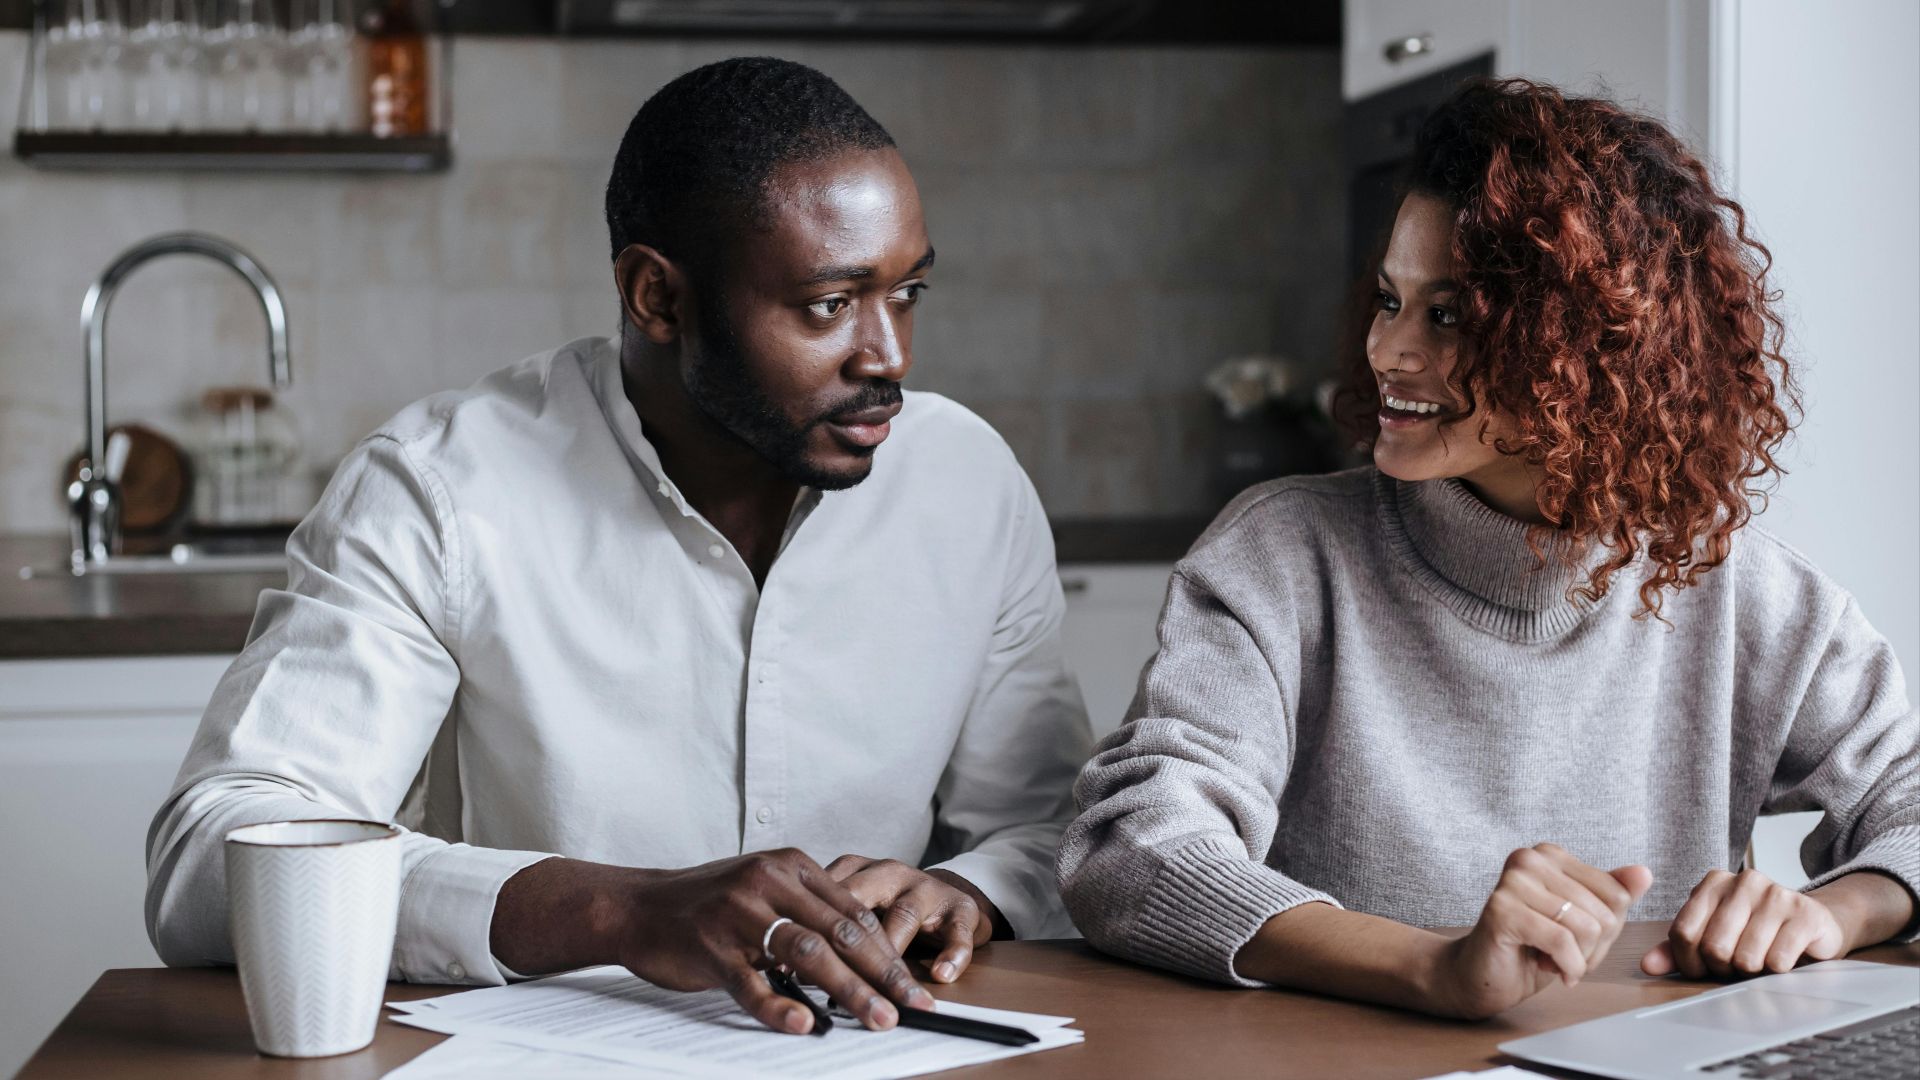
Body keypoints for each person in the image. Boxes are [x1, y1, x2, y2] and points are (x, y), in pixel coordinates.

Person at [146, 57, 1091, 1037]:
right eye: (829, 304)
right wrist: (624, 913)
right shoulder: (438, 489)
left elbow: (1056, 831)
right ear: (656, 296)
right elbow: (212, 864)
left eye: (907, 293)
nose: (887, 355)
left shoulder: (966, 482)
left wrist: (968, 891)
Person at [1057, 78, 1919, 1020]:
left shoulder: (1748, 594)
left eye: (1451, 314)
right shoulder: (1283, 557)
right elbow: (1132, 852)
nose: (1388, 350)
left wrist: (1833, 912)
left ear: (1593, 349)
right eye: (1390, 300)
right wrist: (1434, 968)